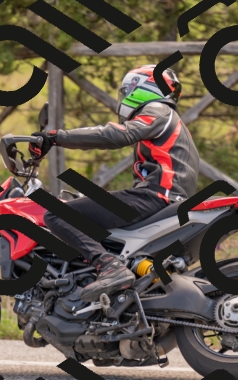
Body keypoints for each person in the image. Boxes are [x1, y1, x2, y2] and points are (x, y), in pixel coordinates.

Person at [28, 65, 200, 303]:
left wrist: (57, 137)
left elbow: (114, 135)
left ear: (144, 88)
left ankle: (110, 266)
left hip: (155, 197)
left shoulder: (159, 111)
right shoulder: (169, 119)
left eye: (128, 90)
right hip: (163, 197)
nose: (125, 96)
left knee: (57, 214)